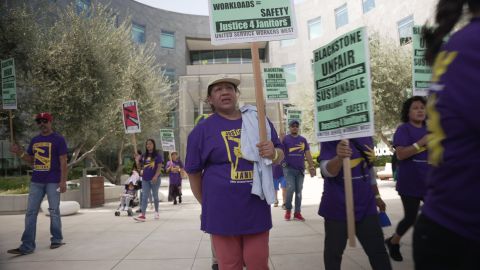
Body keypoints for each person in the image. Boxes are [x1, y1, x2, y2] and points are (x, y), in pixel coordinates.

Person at [185, 74, 284, 270]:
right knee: (229, 265)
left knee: (258, 262)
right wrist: (207, 203)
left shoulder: (258, 120)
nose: (224, 92)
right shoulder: (202, 130)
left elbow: (281, 155)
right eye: (218, 89)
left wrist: (273, 153)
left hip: (255, 206)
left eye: (229, 88)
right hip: (221, 210)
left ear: (236, 94)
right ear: (210, 99)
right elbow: (193, 172)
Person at [413, 1, 480, 269]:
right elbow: (402, 151)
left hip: (444, 225)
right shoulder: (472, 45)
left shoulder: (460, 44)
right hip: (461, 236)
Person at [318, 137, 391, 270]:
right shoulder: (329, 138)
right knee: (333, 254)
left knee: (378, 252)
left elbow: (368, 170)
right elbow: (326, 171)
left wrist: (377, 196)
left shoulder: (366, 136)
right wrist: (339, 158)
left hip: (366, 205)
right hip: (337, 206)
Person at [8, 112, 68, 255]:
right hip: (36, 181)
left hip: (53, 181)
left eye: (44, 121)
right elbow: (31, 160)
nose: (42, 124)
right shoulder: (35, 140)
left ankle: (56, 239)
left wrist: (63, 181)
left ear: (50, 122)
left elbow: (63, 161)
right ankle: (27, 246)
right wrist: (19, 153)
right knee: (30, 213)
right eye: (39, 121)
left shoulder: (58, 139)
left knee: (54, 211)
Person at [384, 96, 428, 261]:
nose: (420, 110)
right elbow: (401, 155)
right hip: (410, 182)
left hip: (430, 181)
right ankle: (394, 242)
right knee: (410, 218)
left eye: (422, 107)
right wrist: (421, 143)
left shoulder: (431, 129)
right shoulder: (404, 129)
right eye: (415, 108)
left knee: (439, 214)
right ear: (408, 112)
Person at [282, 120, 316, 221]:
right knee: (291, 188)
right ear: (289, 127)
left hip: (300, 170)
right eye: (292, 126)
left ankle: (297, 213)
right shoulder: (285, 139)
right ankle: (288, 210)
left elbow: (308, 154)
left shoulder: (303, 140)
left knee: (299, 192)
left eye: (296, 126)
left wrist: (312, 166)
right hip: (288, 169)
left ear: (298, 127)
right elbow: (280, 152)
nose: (295, 127)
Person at [134, 139, 163, 222]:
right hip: (145, 179)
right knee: (144, 197)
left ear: (153, 145)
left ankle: (156, 211)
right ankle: (143, 215)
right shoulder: (144, 155)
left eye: (150, 144)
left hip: (155, 179)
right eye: (147, 144)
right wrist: (137, 161)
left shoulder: (157, 155)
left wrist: (155, 176)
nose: (148, 145)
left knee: (155, 196)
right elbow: (139, 167)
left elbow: (159, 167)